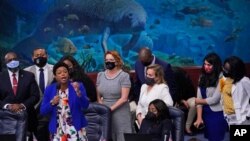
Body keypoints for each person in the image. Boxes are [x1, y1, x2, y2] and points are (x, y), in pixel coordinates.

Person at [40, 62, 89, 141]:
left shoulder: (77, 86)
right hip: (57, 130)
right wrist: (52, 103)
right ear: (55, 76)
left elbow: (86, 105)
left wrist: (79, 94)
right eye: (59, 73)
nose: (63, 74)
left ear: (68, 74)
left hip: (75, 127)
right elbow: (42, 111)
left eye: (65, 72)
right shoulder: (50, 89)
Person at [0, 52, 40, 141]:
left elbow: (35, 95)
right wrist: (8, 106)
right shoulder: (1, 77)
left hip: (28, 119)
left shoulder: (29, 76)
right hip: (6, 122)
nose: (13, 61)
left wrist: (21, 105)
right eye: (10, 60)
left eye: (15, 59)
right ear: (5, 62)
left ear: (19, 60)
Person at [96, 51, 132, 141]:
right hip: (104, 111)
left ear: (117, 61)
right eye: (106, 60)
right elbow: (98, 94)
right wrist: (101, 106)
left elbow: (124, 98)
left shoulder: (124, 76)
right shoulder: (100, 75)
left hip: (120, 111)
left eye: (111, 60)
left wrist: (110, 109)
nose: (108, 62)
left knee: (121, 136)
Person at [193, 53, 228, 141]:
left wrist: (198, 101)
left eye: (209, 65)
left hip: (217, 114)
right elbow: (199, 99)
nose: (206, 67)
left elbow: (215, 99)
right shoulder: (202, 77)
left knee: (216, 138)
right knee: (209, 138)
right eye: (205, 64)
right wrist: (199, 117)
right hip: (205, 113)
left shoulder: (223, 79)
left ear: (215, 65)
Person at [24, 47, 54, 141]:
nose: (40, 57)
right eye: (37, 55)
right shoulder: (26, 72)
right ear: (32, 58)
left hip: (53, 108)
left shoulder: (55, 69)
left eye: (42, 55)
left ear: (47, 56)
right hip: (34, 110)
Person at [220, 56, 250, 125]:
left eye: (227, 69)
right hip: (230, 117)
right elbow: (223, 97)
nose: (224, 71)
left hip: (243, 118)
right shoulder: (223, 80)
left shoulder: (244, 81)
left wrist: (248, 115)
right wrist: (225, 114)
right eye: (224, 68)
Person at [173, 67, 196, 136]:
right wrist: (180, 100)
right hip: (176, 100)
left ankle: (187, 127)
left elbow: (191, 94)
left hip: (187, 98)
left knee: (194, 104)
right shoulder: (169, 81)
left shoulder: (186, 81)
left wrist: (184, 100)